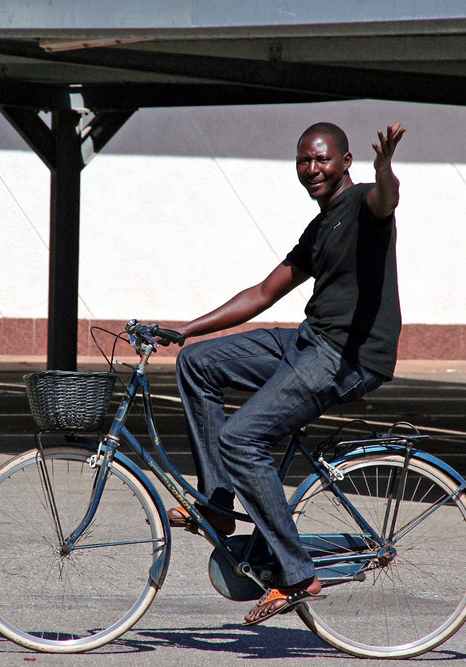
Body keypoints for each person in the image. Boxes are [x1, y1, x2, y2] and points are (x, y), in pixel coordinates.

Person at [165, 120, 406, 626]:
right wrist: (186, 330)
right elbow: (262, 293)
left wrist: (386, 170)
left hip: (347, 355)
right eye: (304, 161)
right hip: (308, 340)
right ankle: (215, 504)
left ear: (345, 162)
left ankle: (297, 575)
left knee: (240, 439)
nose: (312, 168)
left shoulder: (365, 205)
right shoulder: (320, 228)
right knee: (198, 363)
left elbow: (387, 198)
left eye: (322, 159)